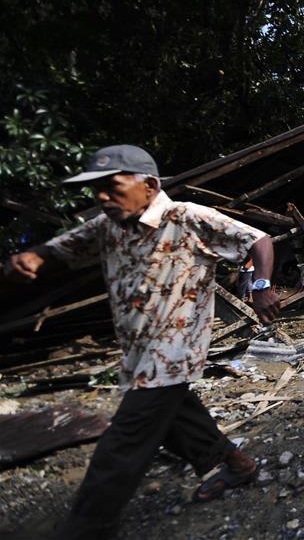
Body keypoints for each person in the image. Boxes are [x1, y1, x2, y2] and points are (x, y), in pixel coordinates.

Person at [3, 145, 280, 540]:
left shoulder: (188, 217)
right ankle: (237, 464)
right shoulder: (106, 226)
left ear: (148, 185)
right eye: (96, 189)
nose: (101, 197)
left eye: (111, 187)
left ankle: (87, 526)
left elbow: (258, 239)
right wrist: (30, 257)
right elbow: (58, 249)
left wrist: (263, 285)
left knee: (124, 441)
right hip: (137, 347)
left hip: (176, 348)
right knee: (173, 417)